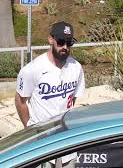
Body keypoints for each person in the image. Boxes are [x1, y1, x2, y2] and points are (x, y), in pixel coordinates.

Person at [15, 21, 85, 167]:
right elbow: (21, 100)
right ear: (50, 39)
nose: (65, 47)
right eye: (60, 42)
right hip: (42, 141)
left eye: (69, 43)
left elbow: (73, 98)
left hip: (67, 139)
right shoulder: (33, 69)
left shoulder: (76, 68)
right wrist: (29, 128)